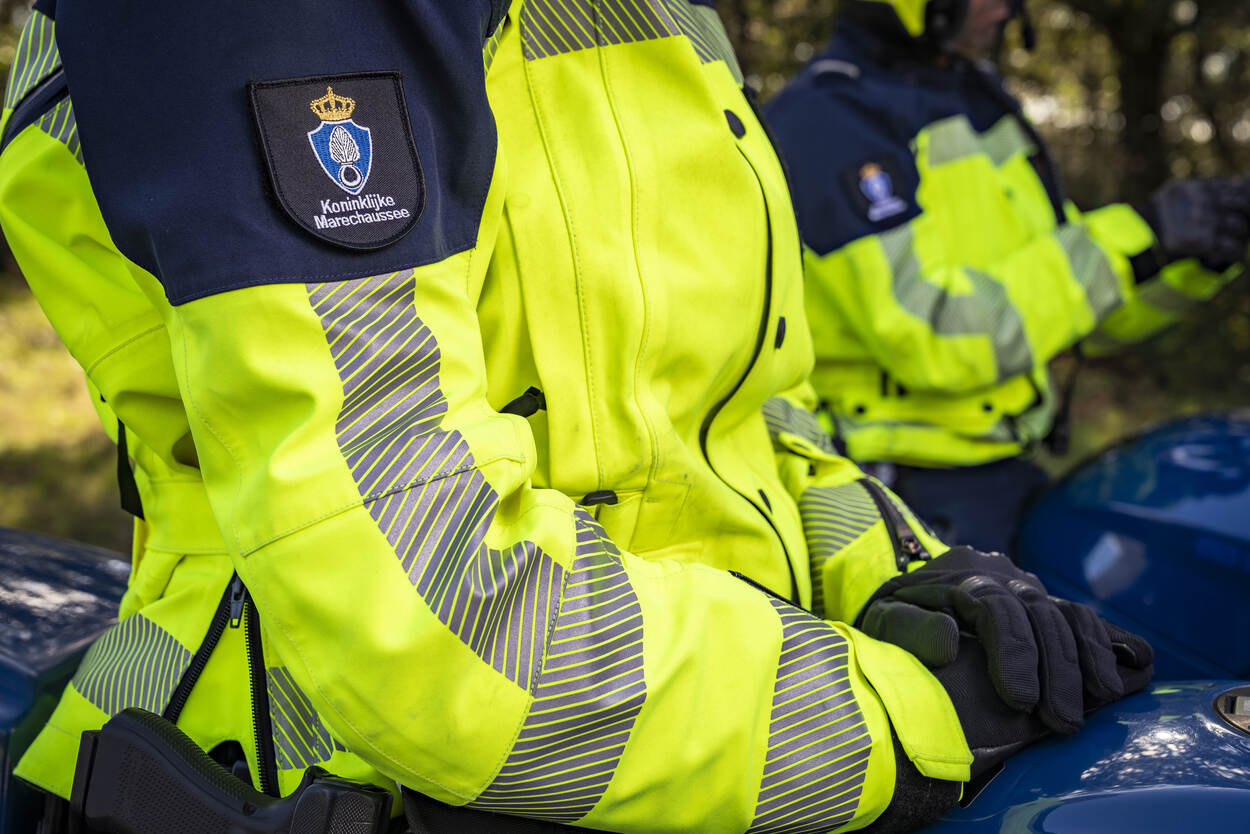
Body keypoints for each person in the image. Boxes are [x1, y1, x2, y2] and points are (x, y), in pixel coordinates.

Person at [0, 1, 1150, 832]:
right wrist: (900, 715)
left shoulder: (661, 16)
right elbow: (416, 584)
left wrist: (915, 578)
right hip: (338, 782)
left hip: (708, 756)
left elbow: (743, 423)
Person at [765, 0, 1250, 554]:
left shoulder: (974, 100)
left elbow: (1074, 313)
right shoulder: (829, 121)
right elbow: (937, 337)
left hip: (1006, 471)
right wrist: (1139, 238)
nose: (1006, 7)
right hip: (901, 497)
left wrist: (1188, 255)